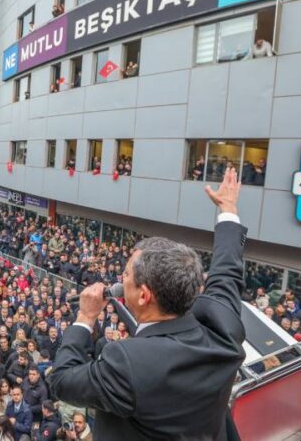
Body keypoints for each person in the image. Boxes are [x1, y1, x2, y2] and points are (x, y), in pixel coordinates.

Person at [48, 168, 247, 440]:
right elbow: (227, 272)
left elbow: (62, 381)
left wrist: (84, 318)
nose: (121, 277)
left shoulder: (128, 362)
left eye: (127, 274)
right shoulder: (223, 328)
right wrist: (228, 210)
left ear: (144, 295)